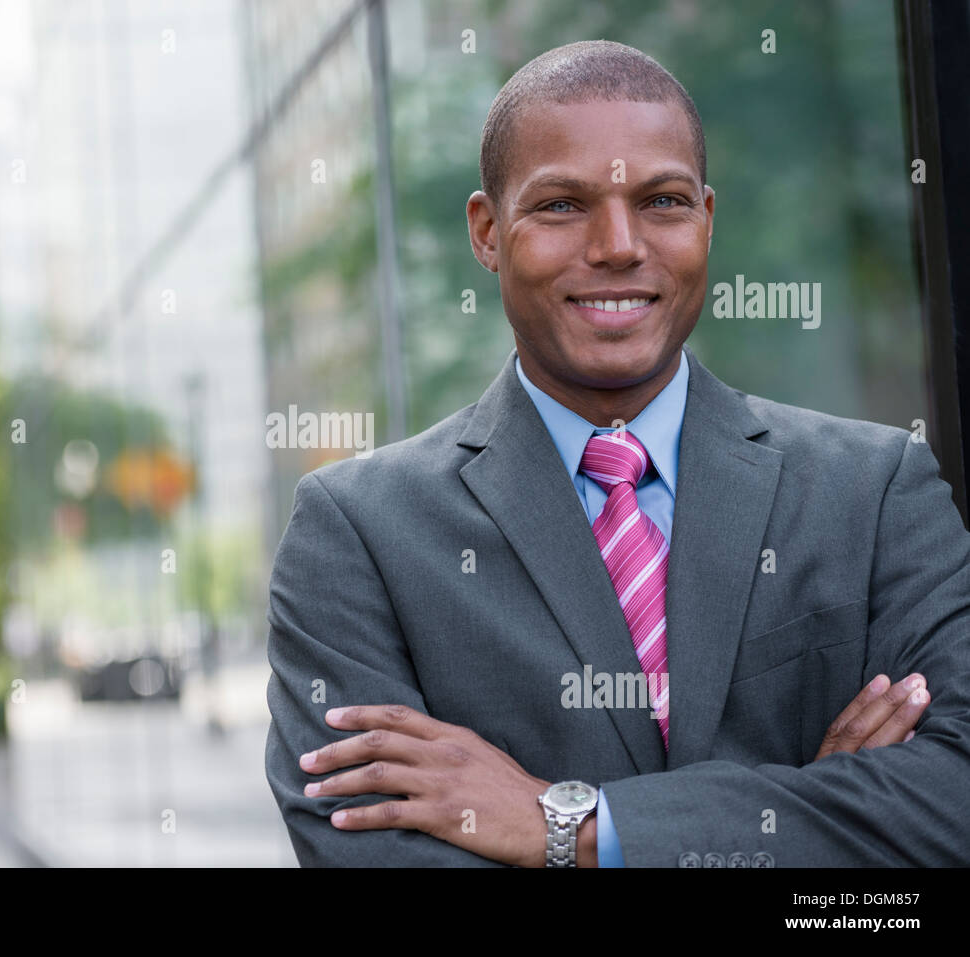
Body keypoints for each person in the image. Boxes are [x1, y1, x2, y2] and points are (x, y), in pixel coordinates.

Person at [263, 39, 970, 867]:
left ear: (707, 219)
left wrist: (568, 828)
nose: (619, 245)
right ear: (488, 232)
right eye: (562, 205)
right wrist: (811, 825)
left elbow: (952, 796)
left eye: (663, 201)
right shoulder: (356, 533)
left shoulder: (877, 489)